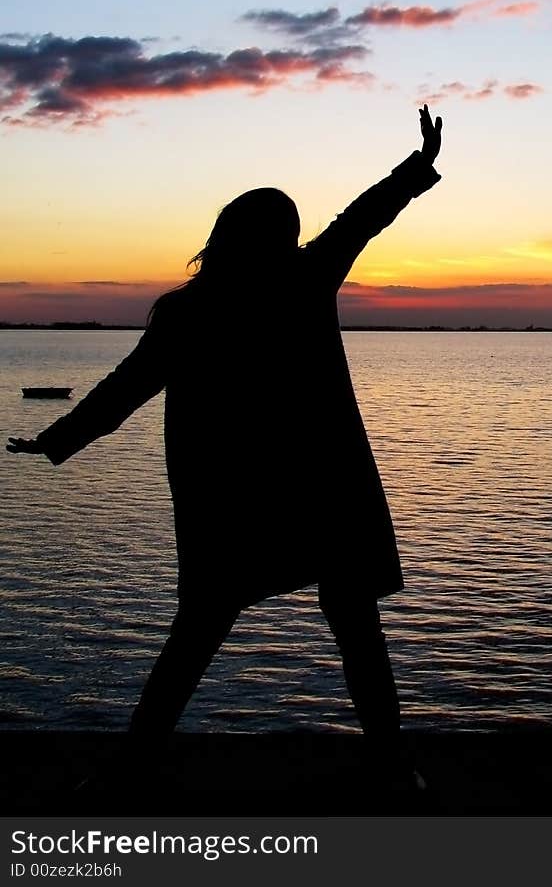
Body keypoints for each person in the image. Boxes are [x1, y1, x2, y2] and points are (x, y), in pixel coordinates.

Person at [7, 105, 443, 793]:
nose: (298, 241)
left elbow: (127, 388)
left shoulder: (205, 306)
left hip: (256, 495)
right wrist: (416, 166)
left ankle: (135, 770)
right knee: (317, 621)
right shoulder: (285, 285)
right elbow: (363, 217)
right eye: (287, 231)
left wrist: (58, 438)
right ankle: (389, 768)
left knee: (227, 625)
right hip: (296, 492)